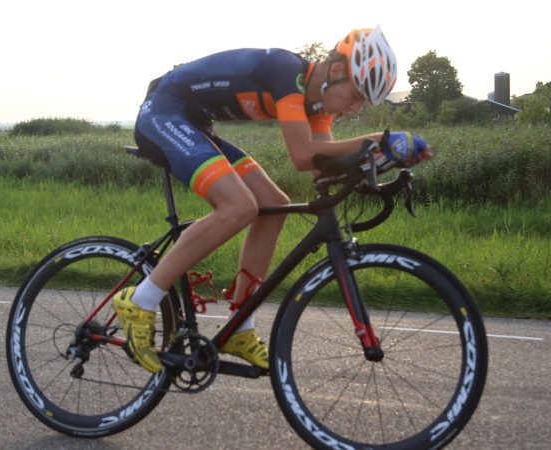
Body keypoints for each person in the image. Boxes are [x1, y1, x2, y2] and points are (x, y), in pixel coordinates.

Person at [113, 26, 432, 373]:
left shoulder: (319, 107)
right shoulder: (286, 71)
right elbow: (302, 153)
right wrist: (380, 140)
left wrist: (383, 161)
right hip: (163, 113)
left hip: (196, 124)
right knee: (239, 206)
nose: (355, 108)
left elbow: (320, 166)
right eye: (356, 96)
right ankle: (141, 300)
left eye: (363, 103)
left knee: (272, 206)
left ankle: (240, 328)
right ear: (337, 71)